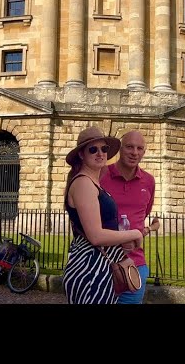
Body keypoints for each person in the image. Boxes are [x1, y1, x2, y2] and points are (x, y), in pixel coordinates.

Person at [62, 126, 144, 304]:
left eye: (104, 149)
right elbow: (96, 236)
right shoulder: (83, 183)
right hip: (90, 269)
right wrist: (134, 233)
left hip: (100, 266)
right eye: (93, 149)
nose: (100, 153)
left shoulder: (93, 183)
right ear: (82, 155)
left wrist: (121, 240)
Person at [100, 130, 159, 304]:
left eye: (140, 148)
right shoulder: (101, 175)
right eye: (129, 147)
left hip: (134, 263)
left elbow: (143, 215)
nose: (135, 152)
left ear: (144, 152)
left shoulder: (148, 181)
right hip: (102, 261)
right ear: (120, 148)